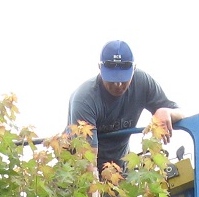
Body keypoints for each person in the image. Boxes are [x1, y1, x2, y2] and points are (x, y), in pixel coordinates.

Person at [66, 40, 186, 173]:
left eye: (123, 79)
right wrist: (97, 191)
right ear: (100, 68)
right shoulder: (85, 100)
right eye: (112, 79)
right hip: (78, 176)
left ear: (134, 69)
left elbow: (180, 112)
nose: (118, 85)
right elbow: (88, 165)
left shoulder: (142, 82)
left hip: (119, 170)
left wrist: (166, 112)